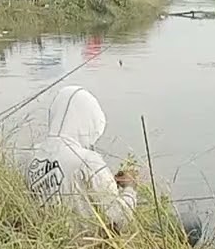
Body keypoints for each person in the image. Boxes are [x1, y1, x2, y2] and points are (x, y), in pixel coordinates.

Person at [24, 86, 138, 232]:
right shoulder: (88, 161)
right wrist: (130, 188)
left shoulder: (31, 156)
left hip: (45, 245)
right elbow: (118, 217)